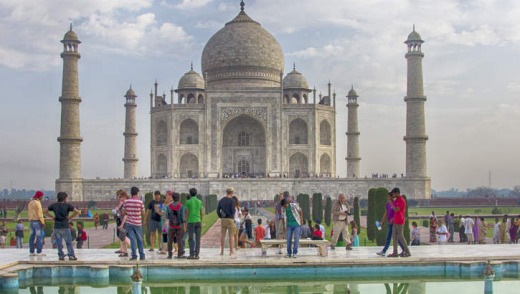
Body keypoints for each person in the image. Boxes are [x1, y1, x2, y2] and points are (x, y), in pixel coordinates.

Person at [44, 192, 79, 260]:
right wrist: (70, 217)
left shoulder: (54, 205)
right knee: (68, 242)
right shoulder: (67, 205)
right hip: (65, 226)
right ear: (64, 198)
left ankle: (61, 255)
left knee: (59, 243)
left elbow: (45, 211)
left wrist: (52, 217)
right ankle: (71, 255)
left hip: (57, 226)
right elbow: (76, 211)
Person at [122, 186, 146, 261]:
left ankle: (134, 256)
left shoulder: (126, 201)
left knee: (132, 240)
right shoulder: (140, 202)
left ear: (131, 193)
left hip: (129, 223)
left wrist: (129, 213)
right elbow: (143, 213)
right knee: (140, 239)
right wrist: (137, 213)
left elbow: (123, 212)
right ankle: (142, 256)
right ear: (137, 193)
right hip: (138, 223)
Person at [387, 187, 411, 258]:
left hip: (400, 221)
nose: (393, 195)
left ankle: (407, 251)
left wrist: (391, 203)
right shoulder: (397, 200)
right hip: (395, 221)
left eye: (393, 193)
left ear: (397, 193)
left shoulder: (401, 201)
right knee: (394, 237)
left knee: (401, 236)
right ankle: (395, 252)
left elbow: (396, 210)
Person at [217, 187, 237, 257]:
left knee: (222, 235)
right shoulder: (232, 201)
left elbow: (218, 210)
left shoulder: (221, 200)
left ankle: (222, 251)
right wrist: (232, 217)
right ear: (231, 193)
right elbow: (233, 211)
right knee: (231, 236)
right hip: (230, 219)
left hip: (223, 220)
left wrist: (221, 216)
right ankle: (231, 251)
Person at [166, 192, 186, 259]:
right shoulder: (181, 206)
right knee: (179, 240)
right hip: (179, 226)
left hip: (171, 226)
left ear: (172, 198)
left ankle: (169, 254)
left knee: (170, 240)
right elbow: (183, 217)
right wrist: (184, 225)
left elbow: (167, 216)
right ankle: (179, 254)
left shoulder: (169, 206)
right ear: (178, 198)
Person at [185, 188, 204, 260]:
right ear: (196, 193)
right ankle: (197, 255)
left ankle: (191, 254)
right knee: (198, 239)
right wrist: (201, 221)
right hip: (198, 221)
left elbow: (187, 213)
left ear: (190, 194)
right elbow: (202, 213)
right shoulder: (200, 201)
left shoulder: (188, 202)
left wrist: (186, 222)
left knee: (191, 238)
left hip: (191, 221)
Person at [28, 191, 46, 256]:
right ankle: (39, 252)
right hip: (37, 222)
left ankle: (31, 252)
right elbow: (40, 214)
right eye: (42, 196)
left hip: (31, 221)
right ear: (40, 196)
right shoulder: (37, 203)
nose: (42, 197)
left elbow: (29, 213)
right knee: (39, 237)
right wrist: (43, 222)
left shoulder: (30, 202)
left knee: (31, 237)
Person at [115, 190, 131, 257]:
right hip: (123, 222)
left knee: (122, 236)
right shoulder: (125, 203)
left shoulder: (126, 204)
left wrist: (122, 224)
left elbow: (126, 215)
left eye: (120, 197)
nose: (119, 198)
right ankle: (125, 252)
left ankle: (132, 246)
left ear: (124, 197)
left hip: (125, 223)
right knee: (122, 237)